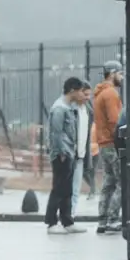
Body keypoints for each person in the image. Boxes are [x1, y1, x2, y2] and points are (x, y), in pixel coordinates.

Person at [46, 77, 87, 235]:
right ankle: (51, 222)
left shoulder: (69, 108)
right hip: (61, 154)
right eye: (79, 91)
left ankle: (67, 221)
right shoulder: (59, 109)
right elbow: (56, 133)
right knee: (58, 188)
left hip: (69, 153)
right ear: (72, 90)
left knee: (67, 189)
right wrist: (61, 152)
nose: (81, 95)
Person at [93, 61, 124, 234]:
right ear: (112, 73)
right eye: (121, 73)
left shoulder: (99, 93)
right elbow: (115, 121)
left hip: (103, 144)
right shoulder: (111, 93)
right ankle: (113, 218)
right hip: (113, 143)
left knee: (108, 182)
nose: (122, 77)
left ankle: (102, 220)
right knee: (122, 182)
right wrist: (122, 140)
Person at [71, 81, 93, 218]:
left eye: (89, 95)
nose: (87, 97)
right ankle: (62, 217)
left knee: (75, 190)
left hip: (80, 154)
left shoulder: (88, 111)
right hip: (68, 155)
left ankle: (70, 216)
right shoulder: (69, 109)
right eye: (85, 94)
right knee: (64, 189)